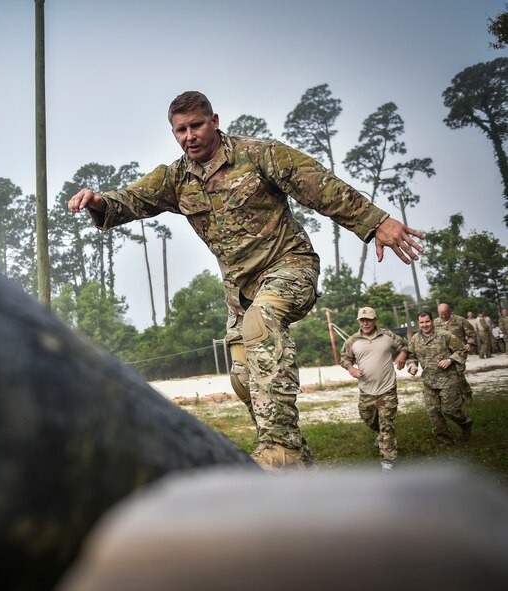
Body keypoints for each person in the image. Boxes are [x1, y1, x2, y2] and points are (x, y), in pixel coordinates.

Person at [67, 91, 424, 470]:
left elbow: (318, 185)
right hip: (241, 293)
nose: (190, 135)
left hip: (290, 267)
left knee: (262, 321)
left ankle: (280, 447)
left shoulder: (259, 154)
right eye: (181, 129)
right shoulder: (176, 178)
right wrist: (99, 202)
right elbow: (131, 199)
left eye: (197, 125)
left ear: (215, 121)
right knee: (243, 378)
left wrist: (375, 221)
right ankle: (301, 462)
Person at [339, 307, 408, 471]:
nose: (365, 323)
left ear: (375, 320)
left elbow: (404, 345)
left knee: (387, 425)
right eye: (362, 320)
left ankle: (388, 463)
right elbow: (345, 359)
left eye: (368, 320)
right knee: (368, 417)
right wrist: (351, 369)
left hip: (387, 389)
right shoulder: (352, 341)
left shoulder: (387, 336)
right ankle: (382, 435)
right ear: (359, 322)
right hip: (366, 390)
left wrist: (402, 355)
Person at [406, 311, 473, 445]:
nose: (425, 325)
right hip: (429, 381)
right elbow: (410, 356)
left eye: (427, 321)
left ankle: (465, 423)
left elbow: (461, 350)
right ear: (418, 323)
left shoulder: (444, 335)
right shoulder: (415, 339)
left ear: (432, 321)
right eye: (422, 322)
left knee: (450, 410)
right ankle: (446, 441)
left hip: (448, 379)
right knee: (433, 412)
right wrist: (412, 366)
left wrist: (450, 359)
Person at [434, 303, 476, 404]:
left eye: (445, 314)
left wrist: (469, 344)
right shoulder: (435, 322)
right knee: (448, 376)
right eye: (441, 314)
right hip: (443, 353)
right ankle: (457, 398)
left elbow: (471, 333)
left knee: (458, 375)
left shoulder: (460, 320)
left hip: (459, 352)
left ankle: (467, 394)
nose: (444, 316)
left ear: (450, 311)